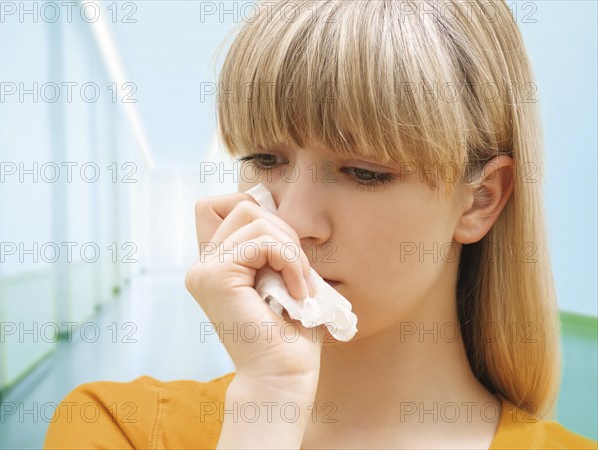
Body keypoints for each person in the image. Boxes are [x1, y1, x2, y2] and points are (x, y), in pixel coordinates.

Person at [44, 0, 597, 449]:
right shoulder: (115, 427)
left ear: (480, 200)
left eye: (363, 172)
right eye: (265, 160)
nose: (293, 220)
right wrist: (268, 405)